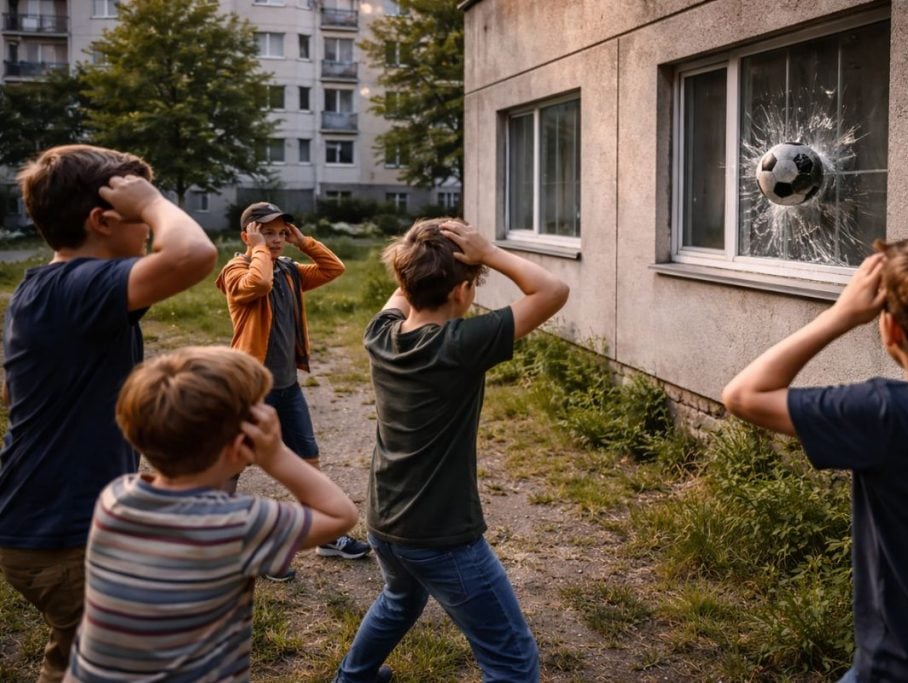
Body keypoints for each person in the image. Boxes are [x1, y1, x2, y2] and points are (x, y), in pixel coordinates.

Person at [721, 229, 908, 680]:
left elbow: (743, 394)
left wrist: (840, 315)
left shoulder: (888, 414)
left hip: (903, 670)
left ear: (891, 327)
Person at [0, 144, 218, 682]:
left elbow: (14, 391)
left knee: (78, 657)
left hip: (46, 518)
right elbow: (193, 254)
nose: (148, 230)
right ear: (101, 220)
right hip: (61, 534)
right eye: (139, 220)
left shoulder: (48, 289)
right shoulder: (78, 287)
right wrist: (154, 200)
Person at [333, 218, 570, 683]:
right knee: (513, 663)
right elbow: (553, 291)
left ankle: (352, 678)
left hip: (385, 521)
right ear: (463, 292)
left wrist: (421, 243)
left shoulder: (380, 334)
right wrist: (489, 253)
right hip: (441, 536)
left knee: (400, 601)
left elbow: (405, 290)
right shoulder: (460, 344)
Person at [64, 346, 360, 681]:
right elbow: (341, 515)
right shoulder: (235, 525)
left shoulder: (114, 499)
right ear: (240, 446)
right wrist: (275, 454)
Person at [215, 201, 370, 575]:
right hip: (251, 387)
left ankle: (325, 536)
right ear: (248, 235)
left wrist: (304, 242)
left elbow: (334, 268)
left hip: (287, 386)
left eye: (281, 232)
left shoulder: (288, 270)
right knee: (232, 464)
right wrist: (257, 251)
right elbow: (258, 283)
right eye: (267, 232)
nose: (277, 239)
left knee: (308, 460)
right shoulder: (236, 270)